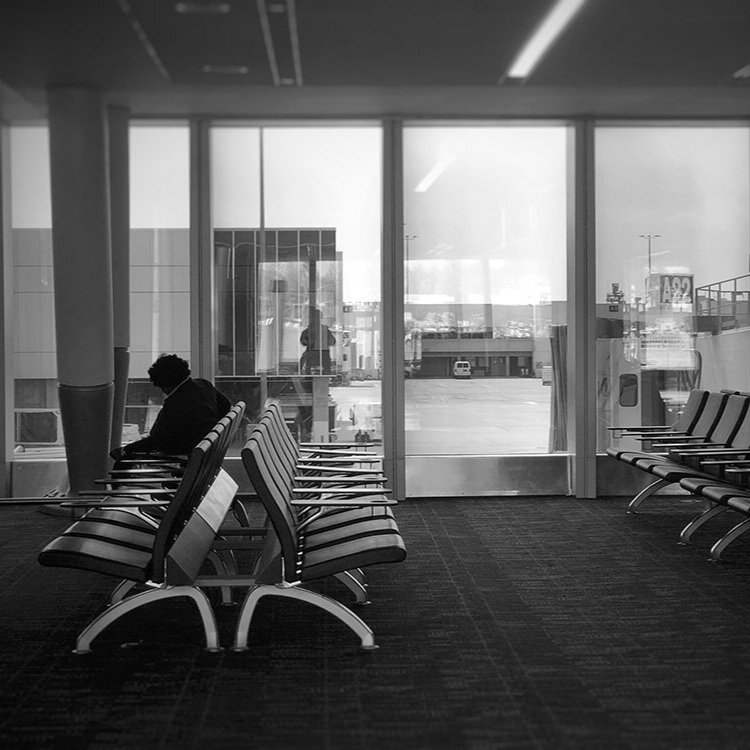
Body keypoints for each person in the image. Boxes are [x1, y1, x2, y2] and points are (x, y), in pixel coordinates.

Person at [111, 354, 231, 460]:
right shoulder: (203, 385)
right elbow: (226, 406)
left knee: (122, 461)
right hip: (204, 450)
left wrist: (125, 449)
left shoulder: (176, 403)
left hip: (182, 454)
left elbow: (156, 440)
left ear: (164, 384)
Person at [300, 308, 336, 375]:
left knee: (307, 373)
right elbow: (332, 342)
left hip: (313, 357)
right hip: (323, 357)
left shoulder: (308, 331)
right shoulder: (325, 330)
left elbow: (303, 342)